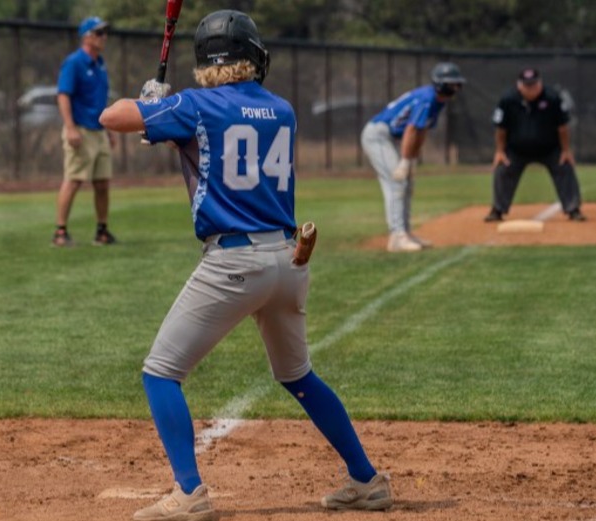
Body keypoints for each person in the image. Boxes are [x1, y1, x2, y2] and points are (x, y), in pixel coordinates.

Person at [100, 10, 393, 521]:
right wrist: (165, 116)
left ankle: (189, 493)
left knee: (160, 374)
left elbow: (112, 117)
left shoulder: (193, 104)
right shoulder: (282, 109)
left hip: (234, 262)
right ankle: (367, 480)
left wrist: (153, 105)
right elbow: (213, 134)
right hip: (288, 258)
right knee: (298, 374)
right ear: (253, 57)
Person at [361, 62, 465, 252]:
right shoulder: (428, 98)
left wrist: (412, 160)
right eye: (452, 84)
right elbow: (411, 130)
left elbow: (421, 131)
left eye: (457, 84)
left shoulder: (438, 101)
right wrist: (405, 161)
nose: (455, 88)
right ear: (440, 83)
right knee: (397, 182)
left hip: (389, 138)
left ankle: (406, 233)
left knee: (407, 182)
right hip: (377, 136)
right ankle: (397, 236)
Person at [485, 68, 585, 222]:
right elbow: (501, 128)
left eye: (534, 84)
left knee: (565, 166)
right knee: (503, 169)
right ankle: (497, 210)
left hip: (549, 148)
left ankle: (573, 209)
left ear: (540, 83)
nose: (531, 88)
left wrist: (565, 150)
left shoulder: (552, 98)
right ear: (519, 85)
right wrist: (500, 151)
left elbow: (562, 127)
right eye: (527, 85)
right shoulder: (508, 99)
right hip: (517, 150)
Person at [53, 15, 118, 247]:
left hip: (99, 130)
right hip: (80, 129)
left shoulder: (100, 64)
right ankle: (60, 232)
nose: (104, 38)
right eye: (99, 33)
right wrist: (70, 128)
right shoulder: (74, 62)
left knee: (102, 183)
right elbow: (63, 95)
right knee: (73, 180)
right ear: (87, 37)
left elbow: (101, 100)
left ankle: (102, 230)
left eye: (104, 33)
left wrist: (109, 129)